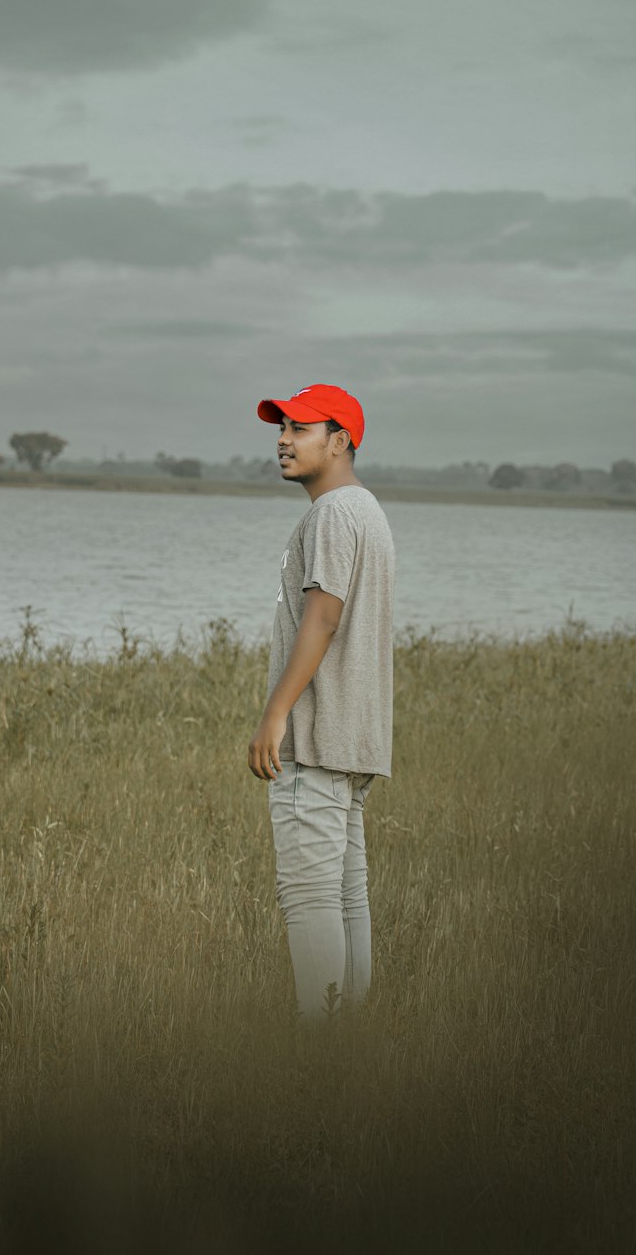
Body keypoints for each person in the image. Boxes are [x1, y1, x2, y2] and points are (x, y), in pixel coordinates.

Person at [248, 384, 395, 1022]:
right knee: (344, 893)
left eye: (300, 428)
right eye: (281, 427)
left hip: (316, 734)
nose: (283, 439)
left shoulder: (334, 512)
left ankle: (323, 1046)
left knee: (308, 896)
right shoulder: (367, 511)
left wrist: (276, 714)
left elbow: (324, 617)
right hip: (354, 737)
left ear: (340, 441)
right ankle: (351, 1034)